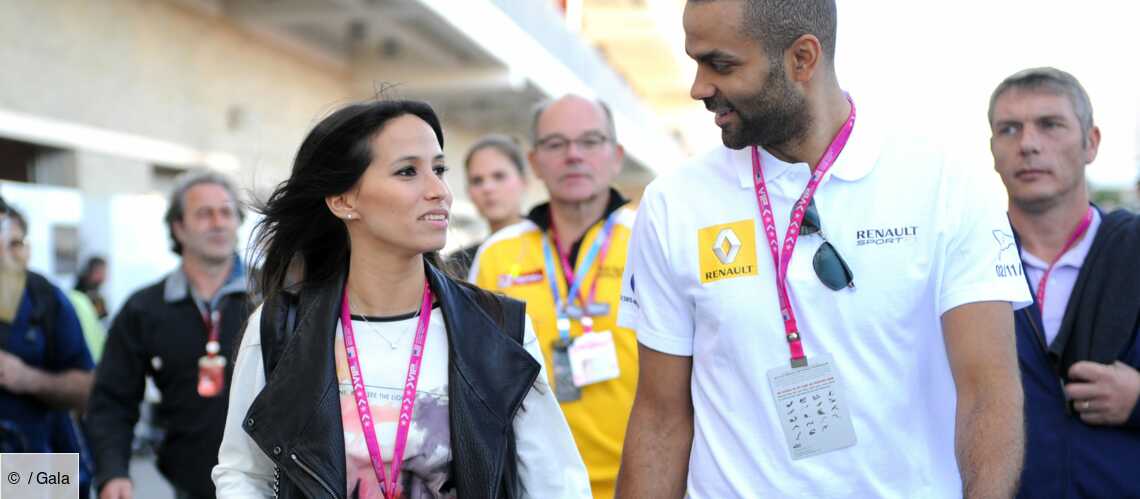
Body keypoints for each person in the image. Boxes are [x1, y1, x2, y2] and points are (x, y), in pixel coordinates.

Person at [615, 1, 1034, 497]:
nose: (699, 87)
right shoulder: (673, 203)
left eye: (720, 64)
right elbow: (660, 417)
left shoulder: (945, 184)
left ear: (802, 59)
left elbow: (989, 394)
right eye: (696, 62)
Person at [212, 99, 589, 498]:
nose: (439, 191)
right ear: (344, 201)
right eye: (408, 171)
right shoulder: (281, 327)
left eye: (439, 170)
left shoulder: (496, 327)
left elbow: (555, 482)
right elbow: (245, 474)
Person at [468, 94, 637, 498]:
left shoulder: (652, 238)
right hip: (535, 483)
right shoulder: (498, 254)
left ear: (616, 156)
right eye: (556, 144)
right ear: (535, 161)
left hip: (641, 480)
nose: (573, 155)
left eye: (590, 141)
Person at [988, 67, 1140, 498]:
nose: (1028, 144)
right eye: (1009, 129)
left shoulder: (1133, 249)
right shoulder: (965, 267)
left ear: (1091, 143)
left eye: (1050, 125)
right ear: (993, 149)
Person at [87, 170, 253, 499]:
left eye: (226, 212)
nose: (218, 223)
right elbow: (112, 399)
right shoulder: (144, 309)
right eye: (204, 214)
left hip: (268, 482)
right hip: (187, 482)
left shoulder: (277, 297)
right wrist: (113, 471)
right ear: (178, 227)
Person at [0, 196, 95, 496]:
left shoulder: (46, 299)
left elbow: (88, 390)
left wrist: (26, 379)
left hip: (38, 467)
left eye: (14, 243)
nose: (6, 255)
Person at [448, 134, 529, 276]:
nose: (488, 188)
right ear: (469, 192)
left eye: (499, 176)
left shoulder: (554, 248)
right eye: (477, 180)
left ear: (524, 181)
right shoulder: (460, 264)